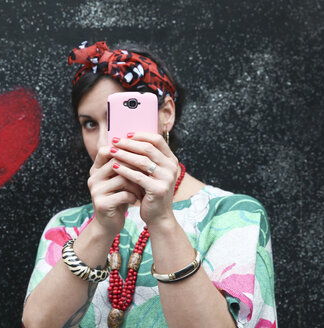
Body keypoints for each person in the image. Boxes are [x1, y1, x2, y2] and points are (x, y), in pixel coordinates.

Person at [22, 41, 277, 328]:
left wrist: (162, 221)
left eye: (117, 117)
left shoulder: (233, 215)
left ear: (166, 112)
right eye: (90, 124)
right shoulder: (68, 225)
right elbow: (38, 324)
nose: (104, 141)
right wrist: (101, 228)